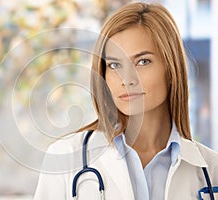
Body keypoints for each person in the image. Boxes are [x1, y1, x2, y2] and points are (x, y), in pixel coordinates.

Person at [34, 2, 218, 200]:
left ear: (171, 68)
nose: (127, 79)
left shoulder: (211, 168)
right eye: (114, 65)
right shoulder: (66, 157)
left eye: (143, 61)